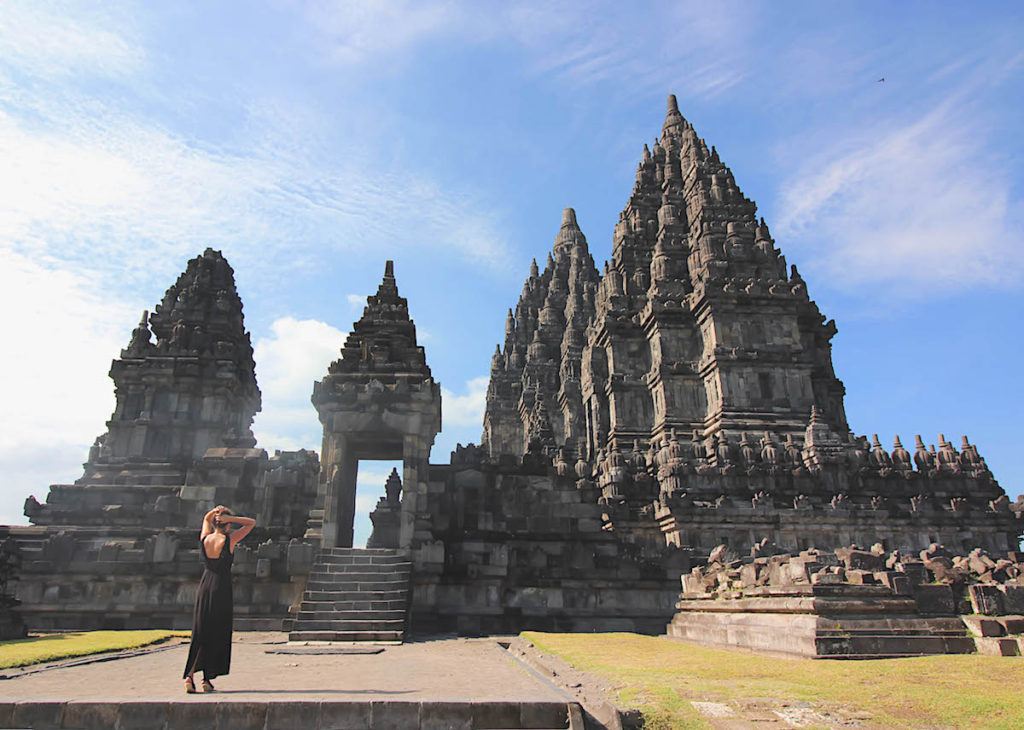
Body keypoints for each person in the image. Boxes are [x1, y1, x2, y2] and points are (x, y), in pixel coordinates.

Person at [182, 505, 255, 693]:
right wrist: (231, 518)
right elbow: (251, 523)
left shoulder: (205, 538)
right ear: (227, 525)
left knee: (200, 630)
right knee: (216, 632)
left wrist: (214, 512)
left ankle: (190, 677)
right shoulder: (229, 540)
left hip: (204, 586)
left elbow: (205, 520)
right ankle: (206, 678)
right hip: (221, 588)